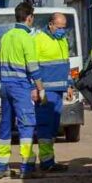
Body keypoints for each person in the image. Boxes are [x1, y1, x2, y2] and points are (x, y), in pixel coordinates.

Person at [0, 1, 43, 179]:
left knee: (5, 124)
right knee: (26, 125)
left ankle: (0, 166)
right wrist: (40, 88)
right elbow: (33, 67)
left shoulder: (6, 37)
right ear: (29, 18)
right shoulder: (27, 38)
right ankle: (27, 166)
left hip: (5, 86)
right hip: (20, 87)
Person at [33, 13, 74, 173]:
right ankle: (46, 161)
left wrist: (69, 85)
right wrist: (34, 88)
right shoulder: (39, 39)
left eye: (64, 27)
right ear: (50, 24)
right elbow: (32, 66)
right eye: (59, 27)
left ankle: (49, 159)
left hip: (59, 90)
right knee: (45, 124)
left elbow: (66, 65)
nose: (62, 30)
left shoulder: (62, 40)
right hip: (45, 90)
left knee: (54, 125)